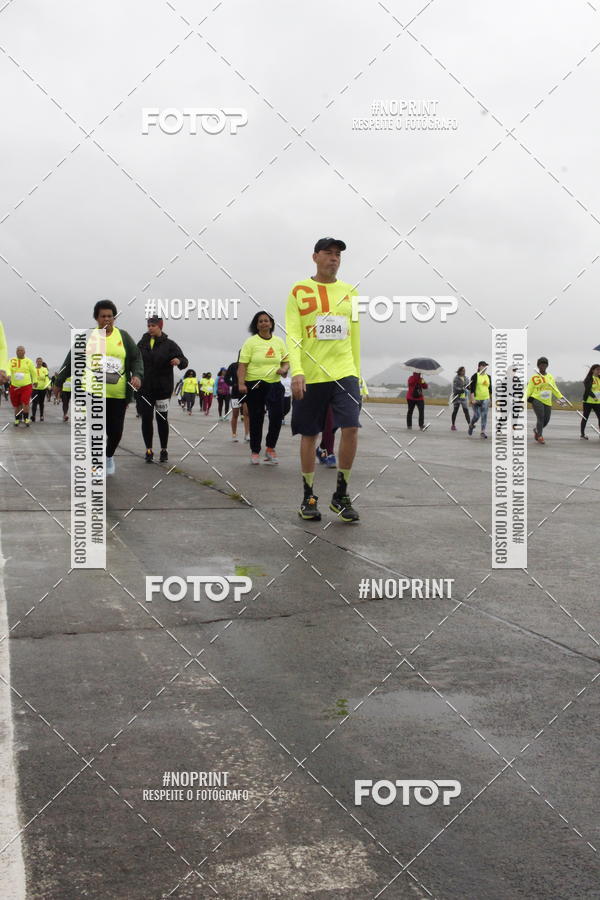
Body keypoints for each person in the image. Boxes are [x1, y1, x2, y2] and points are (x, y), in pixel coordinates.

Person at [286, 237, 361, 522]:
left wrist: (358, 374)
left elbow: (355, 335)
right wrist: (297, 371)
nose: (334, 258)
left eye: (338, 254)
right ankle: (309, 496)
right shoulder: (299, 291)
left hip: (345, 372)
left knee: (351, 427)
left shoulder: (350, 292)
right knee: (310, 434)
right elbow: (293, 333)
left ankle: (341, 495)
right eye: (328, 253)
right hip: (311, 373)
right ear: (315, 257)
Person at [55, 299, 143, 475]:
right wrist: (58, 382)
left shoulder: (123, 336)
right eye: (103, 316)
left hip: (117, 394)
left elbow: (136, 358)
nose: (107, 319)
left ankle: (108, 456)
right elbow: (71, 360)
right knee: (96, 429)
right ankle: (96, 463)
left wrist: (137, 375)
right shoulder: (87, 337)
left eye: (110, 316)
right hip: (92, 392)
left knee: (115, 431)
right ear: (96, 318)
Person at [238, 311, 288, 464]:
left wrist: (284, 369)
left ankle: (270, 449)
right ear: (257, 325)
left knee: (277, 416)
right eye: (260, 321)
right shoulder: (250, 342)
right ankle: (255, 451)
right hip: (256, 383)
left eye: (266, 321)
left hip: (274, 383)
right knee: (256, 417)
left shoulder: (279, 342)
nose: (264, 323)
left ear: (271, 324)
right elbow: (242, 365)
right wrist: (241, 383)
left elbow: (286, 361)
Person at [137, 316, 187, 463]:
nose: (150, 328)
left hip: (162, 389)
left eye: (153, 325)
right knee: (146, 418)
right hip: (145, 389)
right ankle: (149, 450)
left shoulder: (169, 344)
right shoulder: (142, 343)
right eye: (148, 325)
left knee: (161, 419)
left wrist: (178, 361)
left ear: (160, 326)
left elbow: (184, 360)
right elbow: (134, 360)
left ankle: (163, 449)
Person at [526, 356, 566, 444]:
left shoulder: (550, 377)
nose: (543, 366)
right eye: (541, 364)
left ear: (547, 365)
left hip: (547, 400)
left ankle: (537, 430)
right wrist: (523, 399)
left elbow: (554, 388)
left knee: (546, 420)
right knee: (540, 417)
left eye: (545, 364)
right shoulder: (534, 377)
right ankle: (540, 436)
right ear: (538, 366)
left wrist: (560, 397)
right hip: (537, 399)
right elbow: (529, 389)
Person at [8, 346, 37, 427]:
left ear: (24, 352)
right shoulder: (11, 360)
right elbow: (8, 368)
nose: (20, 352)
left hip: (26, 386)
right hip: (14, 385)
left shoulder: (28, 361)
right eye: (18, 350)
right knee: (16, 404)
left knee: (25, 402)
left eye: (21, 350)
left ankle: (26, 419)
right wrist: (8, 375)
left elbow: (33, 372)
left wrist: (35, 381)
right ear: (16, 352)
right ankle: (17, 419)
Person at [225, 355, 249, 442]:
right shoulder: (233, 366)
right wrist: (233, 384)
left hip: (246, 392)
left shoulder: (249, 365)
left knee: (247, 413)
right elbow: (226, 378)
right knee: (235, 414)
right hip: (235, 393)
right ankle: (234, 435)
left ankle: (247, 434)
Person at [468, 361, 492, 439]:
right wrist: (472, 399)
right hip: (476, 399)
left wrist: (490, 399)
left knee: (484, 415)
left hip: (486, 398)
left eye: (486, 366)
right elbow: (472, 389)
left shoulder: (488, 377)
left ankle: (482, 432)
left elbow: (490, 389)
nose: (485, 367)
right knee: (477, 415)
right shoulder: (475, 376)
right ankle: (471, 425)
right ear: (479, 367)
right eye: (483, 366)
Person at [581, 364, 600, 439]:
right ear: (593, 370)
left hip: (597, 402)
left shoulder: (599, 378)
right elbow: (588, 390)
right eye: (597, 369)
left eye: (599, 369)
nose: (599, 371)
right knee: (585, 417)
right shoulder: (589, 378)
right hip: (588, 402)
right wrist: (594, 396)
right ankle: (582, 434)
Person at [31, 356, 50, 422]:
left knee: (41, 403)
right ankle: (33, 416)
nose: (39, 362)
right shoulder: (33, 369)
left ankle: (41, 415)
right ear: (36, 362)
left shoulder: (45, 369)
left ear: (42, 362)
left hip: (42, 388)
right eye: (38, 361)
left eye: (40, 361)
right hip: (34, 388)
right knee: (34, 402)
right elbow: (31, 378)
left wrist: (48, 385)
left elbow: (47, 378)